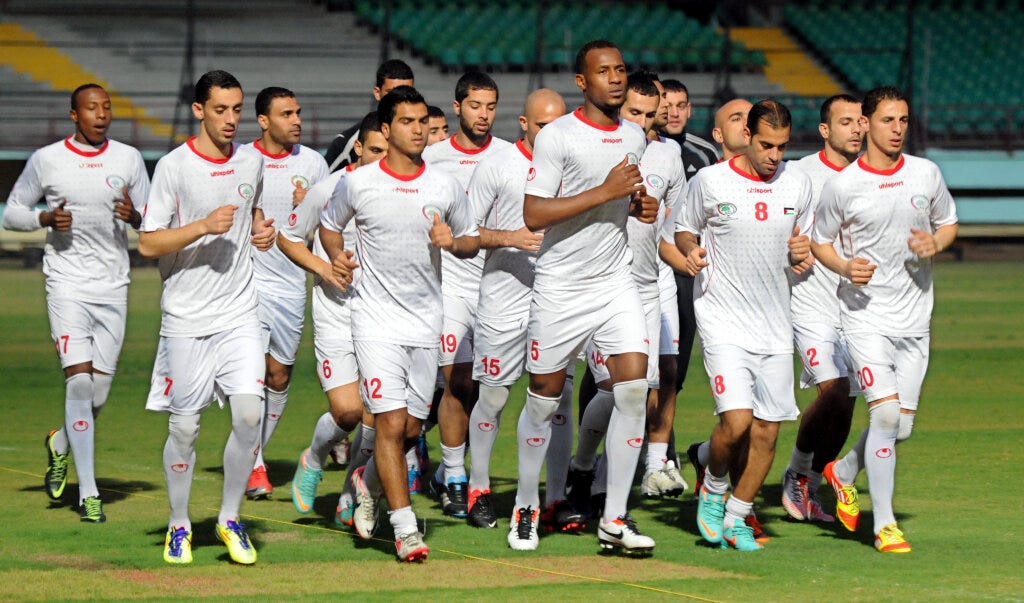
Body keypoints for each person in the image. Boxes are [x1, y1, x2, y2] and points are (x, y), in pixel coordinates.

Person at [508, 40, 658, 554]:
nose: (615, 78)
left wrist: (637, 205)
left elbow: (624, 197)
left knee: (634, 388)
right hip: (561, 285)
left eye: (620, 69)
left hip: (615, 281)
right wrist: (606, 192)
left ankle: (614, 518)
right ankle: (526, 506)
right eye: (603, 71)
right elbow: (533, 214)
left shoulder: (634, 135)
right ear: (582, 81)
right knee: (543, 400)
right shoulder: (558, 137)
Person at [320, 86, 480, 562]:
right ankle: (406, 529)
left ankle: (365, 482)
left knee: (410, 429)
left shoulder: (444, 185)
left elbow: (471, 240)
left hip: (426, 321)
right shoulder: (358, 183)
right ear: (386, 130)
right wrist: (336, 256)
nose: (418, 130)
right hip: (374, 321)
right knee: (389, 422)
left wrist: (452, 242)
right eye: (407, 122)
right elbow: (329, 226)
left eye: (422, 122)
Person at [139, 70, 276, 565]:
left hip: (240, 311)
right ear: (199, 110)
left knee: (249, 415)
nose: (230, 119)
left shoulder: (251, 160)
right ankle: (179, 523)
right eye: (220, 110)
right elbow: (148, 243)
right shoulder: (174, 167)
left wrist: (261, 229)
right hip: (186, 317)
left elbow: (253, 210)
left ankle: (229, 518)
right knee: (185, 429)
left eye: (236, 109)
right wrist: (200, 226)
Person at [813, 86, 958, 553]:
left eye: (903, 120)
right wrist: (844, 267)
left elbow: (948, 222)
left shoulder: (925, 173)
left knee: (901, 428)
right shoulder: (844, 185)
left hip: (915, 319)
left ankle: (842, 471)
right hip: (865, 316)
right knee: (887, 414)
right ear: (866, 123)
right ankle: (885, 525)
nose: (897, 129)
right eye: (887, 120)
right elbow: (819, 241)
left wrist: (936, 242)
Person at [2, 83, 149, 523]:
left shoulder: (128, 158)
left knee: (97, 392)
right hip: (66, 284)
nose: (101, 114)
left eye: (106, 107)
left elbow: (154, 217)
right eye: (91, 108)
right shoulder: (47, 159)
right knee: (80, 385)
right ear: (74, 115)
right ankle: (89, 493)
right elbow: (12, 211)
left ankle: (60, 443)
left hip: (113, 286)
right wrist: (44, 218)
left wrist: (135, 216)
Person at [673, 99, 812, 551]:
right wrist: (691, 249)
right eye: (767, 145)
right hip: (722, 319)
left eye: (782, 147)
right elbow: (683, 229)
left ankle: (737, 516)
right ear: (748, 136)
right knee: (736, 423)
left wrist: (803, 254)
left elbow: (804, 245)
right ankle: (714, 490)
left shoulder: (798, 183)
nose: (774, 155)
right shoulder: (711, 181)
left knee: (768, 430)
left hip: (775, 324)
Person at [568, 71, 687, 518]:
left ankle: (600, 488)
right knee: (612, 389)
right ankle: (584, 469)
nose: (641, 122)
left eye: (650, 115)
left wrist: (688, 256)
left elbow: (670, 228)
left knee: (640, 392)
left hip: (647, 286)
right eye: (633, 112)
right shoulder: (595, 145)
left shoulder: (669, 157)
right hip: (598, 284)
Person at [464, 88, 568, 529]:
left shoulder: (575, 165)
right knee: (492, 397)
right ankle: (478, 488)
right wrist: (511, 238)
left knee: (557, 402)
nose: (553, 134)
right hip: (503, 299)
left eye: (559, 125)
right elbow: (464, 233)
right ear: (524, 124)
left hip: (559, 301)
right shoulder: (498, 166)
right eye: (544, 125)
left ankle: (556, 497)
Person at [279, 111, 388, 525]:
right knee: (347, 413)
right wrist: (325, 269)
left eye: (388, 151)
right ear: (357, 148)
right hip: (336, 313)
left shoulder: (398, 191)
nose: (382, 159)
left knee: (375, 415)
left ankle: (349, 492)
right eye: (374, 150)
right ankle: (314, 455)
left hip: (382, 316)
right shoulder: (327, 189)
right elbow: (289, 238)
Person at [421, 71, 511, 518]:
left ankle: (451, 472)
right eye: (475, 105)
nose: (484, 114)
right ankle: (456, 477)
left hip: (498, 284)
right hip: (449, 284)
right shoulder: (432, 158)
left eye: (491, 106)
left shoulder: (508, 157)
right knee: (457, 380)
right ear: (457, 107)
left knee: (487, 392)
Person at [780, 94, 865, 523]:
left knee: (846, 402)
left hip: (858, 307)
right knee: (832, 389)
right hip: (811, 303)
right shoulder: (799, 174)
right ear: (825, 130)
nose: (856, 129)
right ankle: (796, 472)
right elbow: (773, 222)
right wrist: (790, 249)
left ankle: (812, 484)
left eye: (860, 121)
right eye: (845, 121)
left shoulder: (873, 177)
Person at [241, 87, 329, 500]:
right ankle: (256, 464)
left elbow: (329, 226)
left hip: (292, 284)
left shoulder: (313, 163)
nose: (296, 120)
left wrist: (311, 208)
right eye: (286, 114)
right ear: (263, 120)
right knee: (253, 375)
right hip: (248, 283)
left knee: (279, 376)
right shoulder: (243, 160)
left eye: (298, 112)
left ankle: (251, 455)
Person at [324, 59, 414, 171]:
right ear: (377, 93)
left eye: (407, 94)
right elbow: (326, 180)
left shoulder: (426, 138)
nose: (399, 101)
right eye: (392, 94)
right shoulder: (347, 143)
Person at [657, 79, 719, 177]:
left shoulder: (707, 153)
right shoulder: (642, 149)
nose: (675, 114)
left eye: (681, 106)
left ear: (688, 110)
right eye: (668, 107)